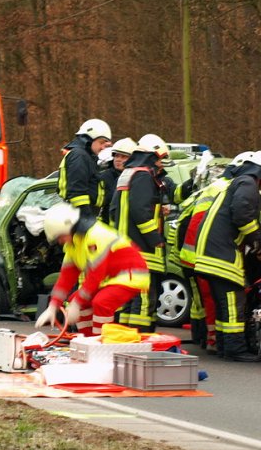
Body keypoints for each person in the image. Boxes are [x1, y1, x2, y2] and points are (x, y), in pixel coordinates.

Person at [193, 150, 261, 362]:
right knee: (233, 300)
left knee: (224, 303)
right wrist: (259, 242)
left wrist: (256, 237)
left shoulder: (237, 183)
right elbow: (242, 214)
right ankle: (234, 349)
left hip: (211, 252)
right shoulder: (248, 183)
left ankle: (224, 346)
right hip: (220, 255)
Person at [35, 202, 149, 336]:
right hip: (112, 278)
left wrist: (77, 303)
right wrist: (53, 306)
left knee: (101, 302)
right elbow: (66, 278)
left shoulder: (96, 236)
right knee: (74, 299)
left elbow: (96, 275)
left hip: (131, 275)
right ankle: (87, 340)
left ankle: (101, 343)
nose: (60, 242)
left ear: (69, 228)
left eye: (60, 237)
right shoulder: (73, 245)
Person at [179, 151, 251, 352]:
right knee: (212, 298)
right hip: (202, 252)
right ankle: (212, 340)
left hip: (190, 251)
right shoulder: (228, 189)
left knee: (201, 300)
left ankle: (203, 337)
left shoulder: (214, 186)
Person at [109, 134, 173, 331]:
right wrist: (155, 239)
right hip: (141, 249)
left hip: (124, 246)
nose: (161, 166)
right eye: (160, 160)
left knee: (129, 297)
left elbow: (114, 210)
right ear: (152, 156)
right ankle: (141, 339)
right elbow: (139, 211)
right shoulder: (144, 175)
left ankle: (125, 337)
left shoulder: (128, 173)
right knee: (144, 298)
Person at [58, 118, 112, 217]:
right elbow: (77, 193)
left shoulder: (84, 156)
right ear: (89, 139)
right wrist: (87, 219)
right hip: (80, 216)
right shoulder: (79, 156)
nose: (103, 147)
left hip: (81, 214)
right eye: (101, 142)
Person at [97, 137, 136, 223]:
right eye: (116, 156)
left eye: (123, 157)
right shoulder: (104, 177)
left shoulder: (137, 178)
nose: (118, 159)